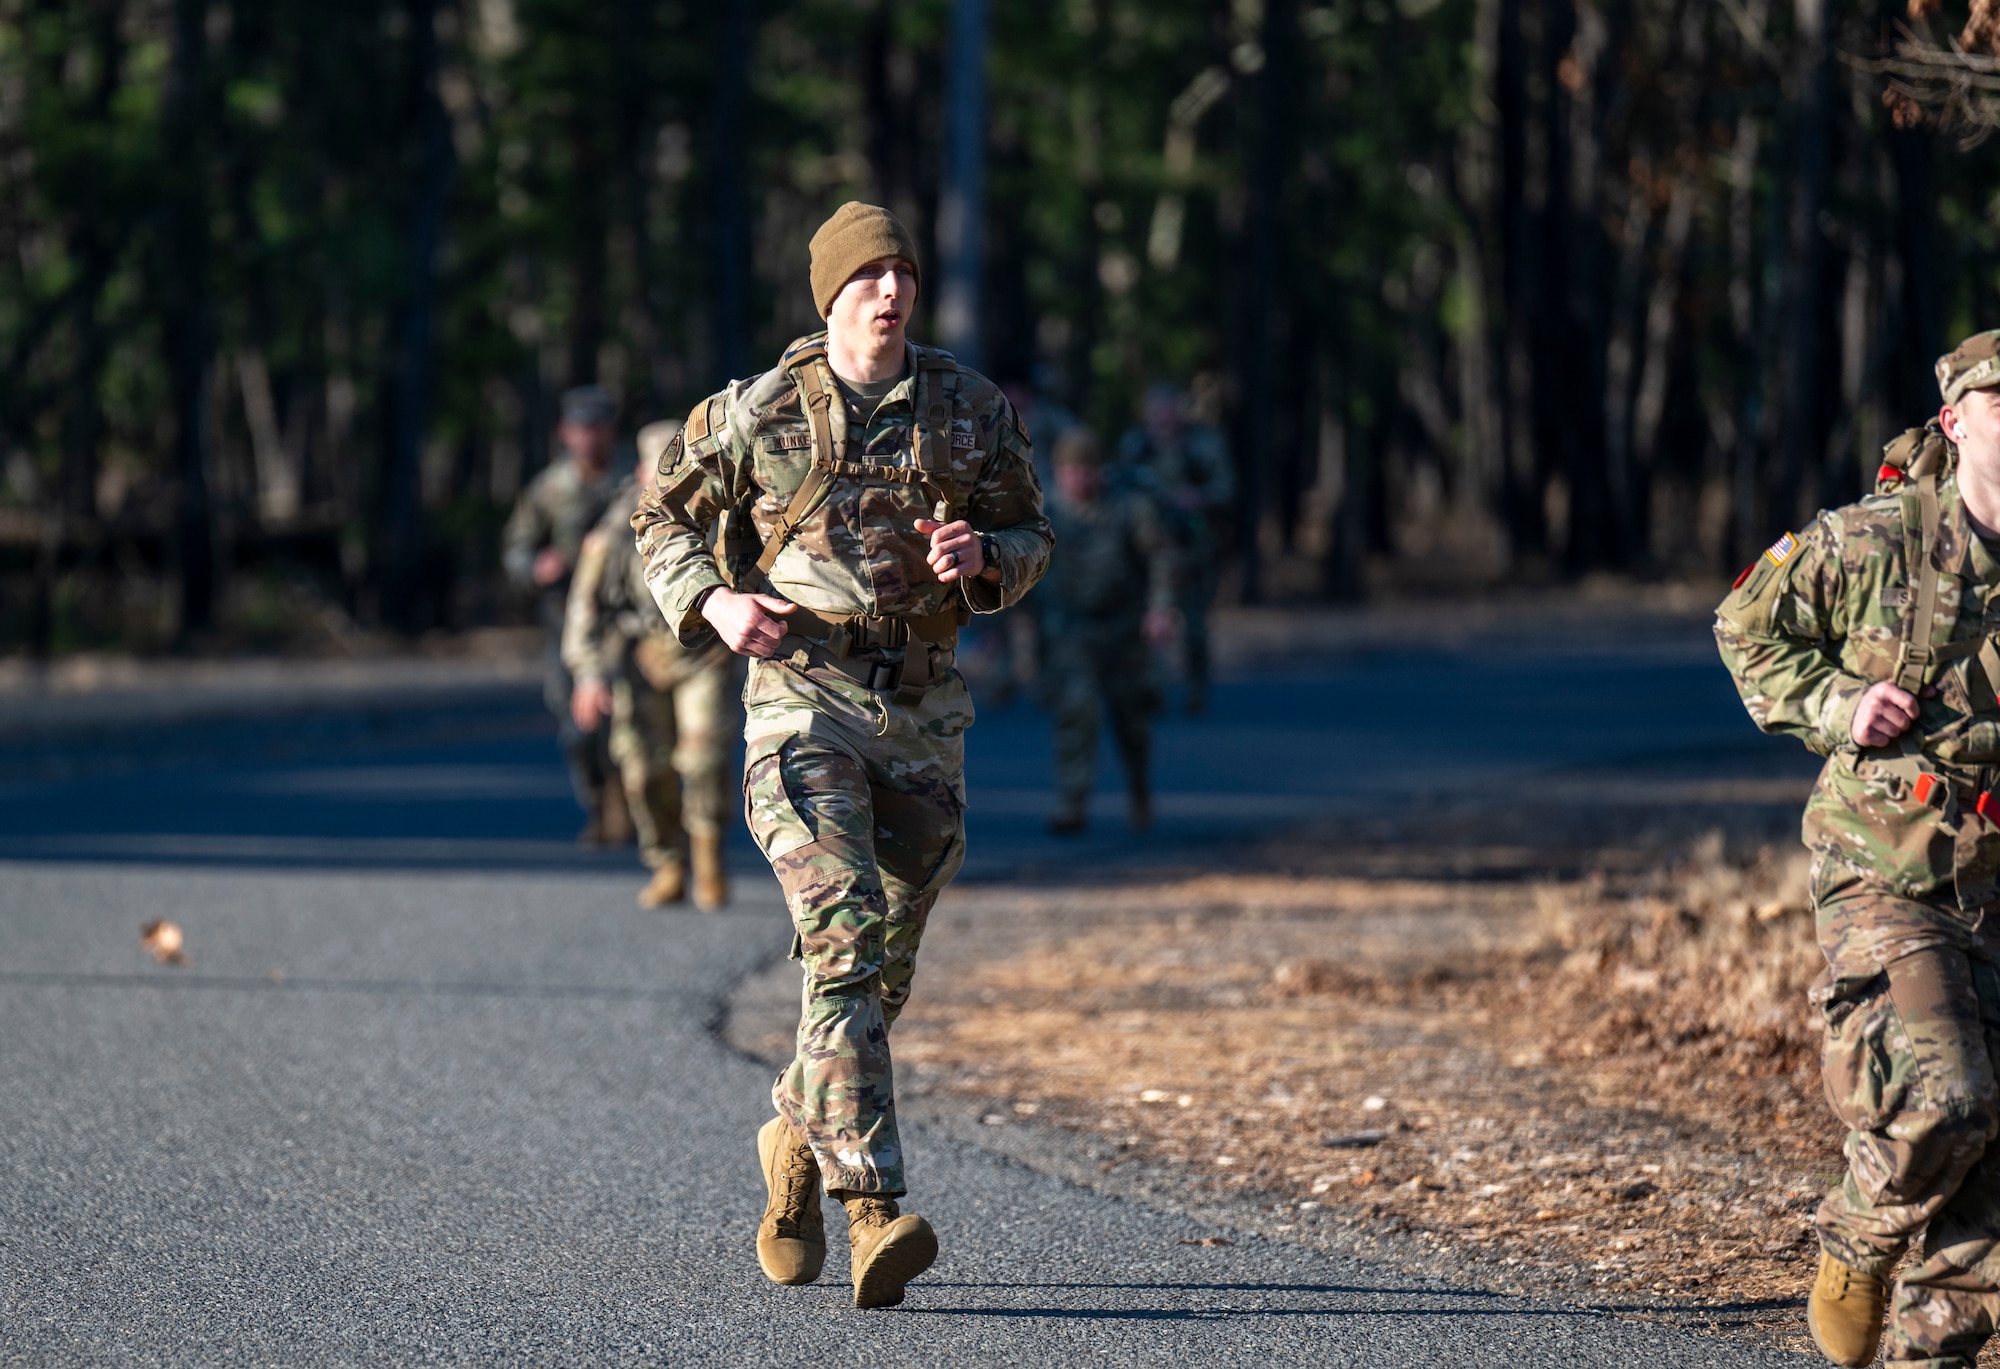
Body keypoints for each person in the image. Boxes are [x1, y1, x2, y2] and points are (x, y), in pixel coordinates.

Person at [630, 202, 1051, 1308]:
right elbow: (656, 521)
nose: (888, 289)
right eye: (866, 275)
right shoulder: (755, 410)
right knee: (845, 930)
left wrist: (983, 558)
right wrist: (713, 602)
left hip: (920, 718)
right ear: (828, 296)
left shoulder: (966, 408)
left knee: (876, 966)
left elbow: (1032, 532)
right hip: (798, 708)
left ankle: (792, 1139)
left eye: (901, 272)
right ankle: (872, 1206)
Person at [1717, 329, 2000, 1369]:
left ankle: (1936, 1342)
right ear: (1954, 421)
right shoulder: (1871, 540)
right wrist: (1837, 702)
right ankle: (1854, 1236)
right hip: (1883, 861)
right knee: (1947, 1098)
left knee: (1989, 1169)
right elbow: (1744, 626)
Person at [563, 420, 736, 911]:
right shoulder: (618, 528)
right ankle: (666, 865)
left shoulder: (725, 517)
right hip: (642, 656)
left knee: (702, 759)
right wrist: (590, 672)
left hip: (705, 653)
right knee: (641, 768)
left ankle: (708, 862)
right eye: (662, 469)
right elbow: (585, 606)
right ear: (641, 470)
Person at [1037, 429, 1178, 836]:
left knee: (1131, 718)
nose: (1077, 478)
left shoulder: (1128, 509)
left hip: (1125, 629)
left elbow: (1160, 559)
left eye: (1085, 469)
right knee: (1075, 711)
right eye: (1069, 470)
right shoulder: (1047, 514)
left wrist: (1160, 610)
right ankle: (1072, 802)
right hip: (1073, 630)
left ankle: (1139, 787)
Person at [503, 384, 627, 843]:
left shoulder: (632, 482)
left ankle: (634, 806)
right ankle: (599, 804)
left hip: (626, 621)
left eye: (598, 426)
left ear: (611, 431)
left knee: (635, 722)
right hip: (568, 622)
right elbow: (516, 549)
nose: (590, 437)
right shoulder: (550, 489)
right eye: (581, 428)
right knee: (579, 727)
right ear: (565, 433)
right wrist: (535, 567)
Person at [1117, 380, 1234, 714]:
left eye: (1167, 411)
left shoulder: (1201, 446)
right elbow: (1118, 484)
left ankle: (1197, 687)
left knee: (1194, 625)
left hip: (1192, 546)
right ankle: (1154, 687)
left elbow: (1226, 487)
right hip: (1148, 547)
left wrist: (1199, 497)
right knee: (1152, 619)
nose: (1161, 419)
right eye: (1155, 412)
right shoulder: (1135, 445)